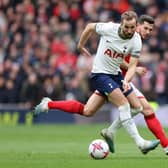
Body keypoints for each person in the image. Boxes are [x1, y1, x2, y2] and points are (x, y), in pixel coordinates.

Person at [33, 11, 159, 154]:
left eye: (132, 27)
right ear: (121, 24)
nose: (129, 30)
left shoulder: (136, 40)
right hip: (100, 75)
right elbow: (89, 27)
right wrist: (80, 45)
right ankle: (140, 143)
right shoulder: (109, 29)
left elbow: (132, 66)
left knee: (97, 110)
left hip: (116, 76)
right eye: (126, 27)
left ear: (136, 25)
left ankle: (48, 104)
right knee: (124, 105)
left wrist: (126, 80)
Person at [101, 14, 168, 155]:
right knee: (87, 111)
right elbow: (115, 58)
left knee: (147, 110)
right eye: (146, 28)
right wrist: (134, 69)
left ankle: (166, 147)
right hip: (114, 80)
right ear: (137, 25)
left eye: (150, 30)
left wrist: (132, 70)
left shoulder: (136, 40)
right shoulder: (129, 38)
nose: (148, 32)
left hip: (123, 81)